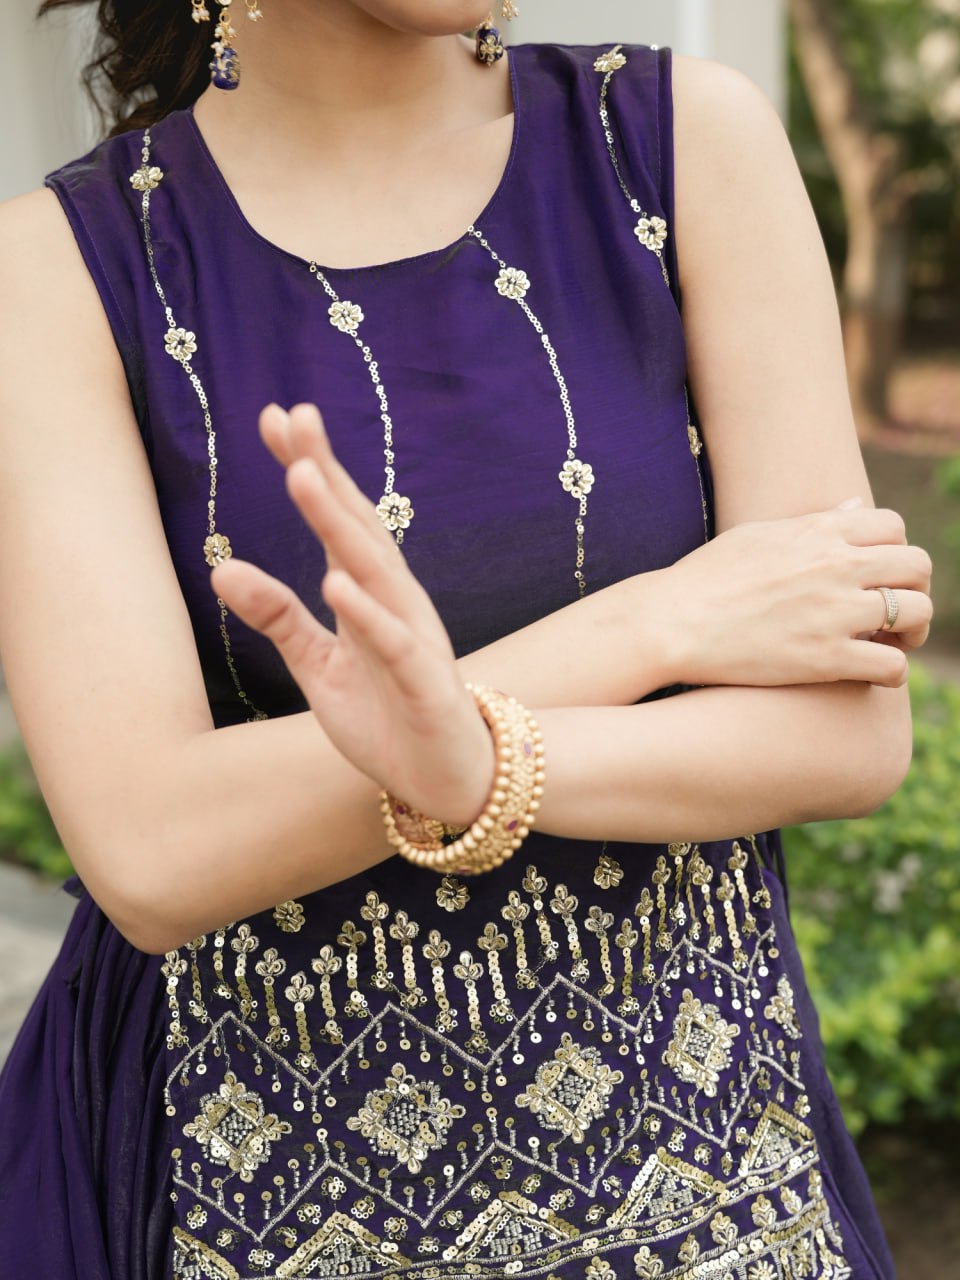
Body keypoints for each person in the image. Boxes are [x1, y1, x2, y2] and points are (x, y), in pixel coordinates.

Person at [0, 1, 933, 1276]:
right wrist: (662, 620)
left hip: (707, 1168)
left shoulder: (677, 144)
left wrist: (477, 763)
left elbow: (845, 734)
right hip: (265, 1173)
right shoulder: (57, 267)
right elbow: (155, 848)